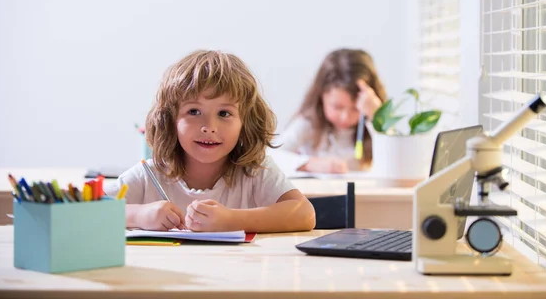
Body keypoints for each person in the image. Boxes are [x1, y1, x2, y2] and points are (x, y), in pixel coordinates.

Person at [105, 50, 315, 232]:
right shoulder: (148, 174)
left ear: (246, 122)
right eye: (194, 111)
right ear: (170, 120)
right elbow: (85, 211)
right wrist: (139, 215)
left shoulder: (254, 172)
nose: (209, 126)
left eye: (224, 113)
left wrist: (230, 220)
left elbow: (304, 215)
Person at [276, 48, 387, 173]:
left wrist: (376, 116)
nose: (345, 117)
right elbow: (271, 156)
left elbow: (396, 159)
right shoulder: (309, 123)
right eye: (337, 107)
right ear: (321, 96)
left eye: (355, 109)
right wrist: (309, 164)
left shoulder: (372, 123)